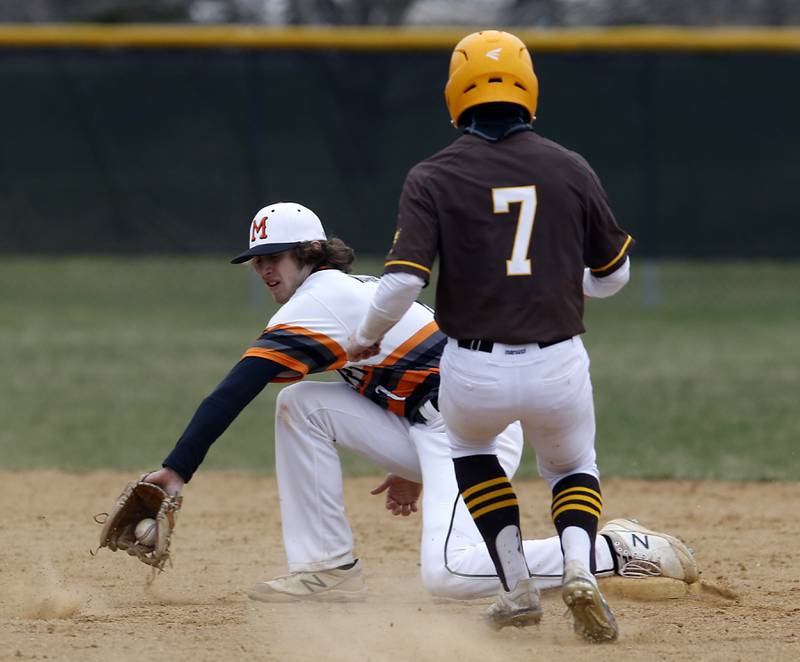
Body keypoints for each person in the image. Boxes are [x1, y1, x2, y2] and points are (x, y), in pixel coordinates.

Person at [143, 202, 694, 605]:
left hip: (472, 432)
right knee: (301, 405)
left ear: (309, 254)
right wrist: (404, 461)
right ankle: (326, 568)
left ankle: (614, 550)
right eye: (257, 261)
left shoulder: (321, 300)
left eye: (275, 258)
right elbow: (400, 371)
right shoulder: (340, 291)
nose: (265, 271)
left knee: (451, 575)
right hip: (433, 422)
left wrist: (176, 470)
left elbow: (233, 390)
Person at [347, 30, 635, 641]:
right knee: (572, 464)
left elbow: (401, 286)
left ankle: (517, 586)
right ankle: (580, 569)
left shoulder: (433, 175)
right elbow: (616, 275)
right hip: (557, 360)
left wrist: (366, 335)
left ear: (455, 94)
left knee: (475, 456)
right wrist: (562, 283)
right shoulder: (569, 166)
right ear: (529, 89)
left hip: (473, 370)